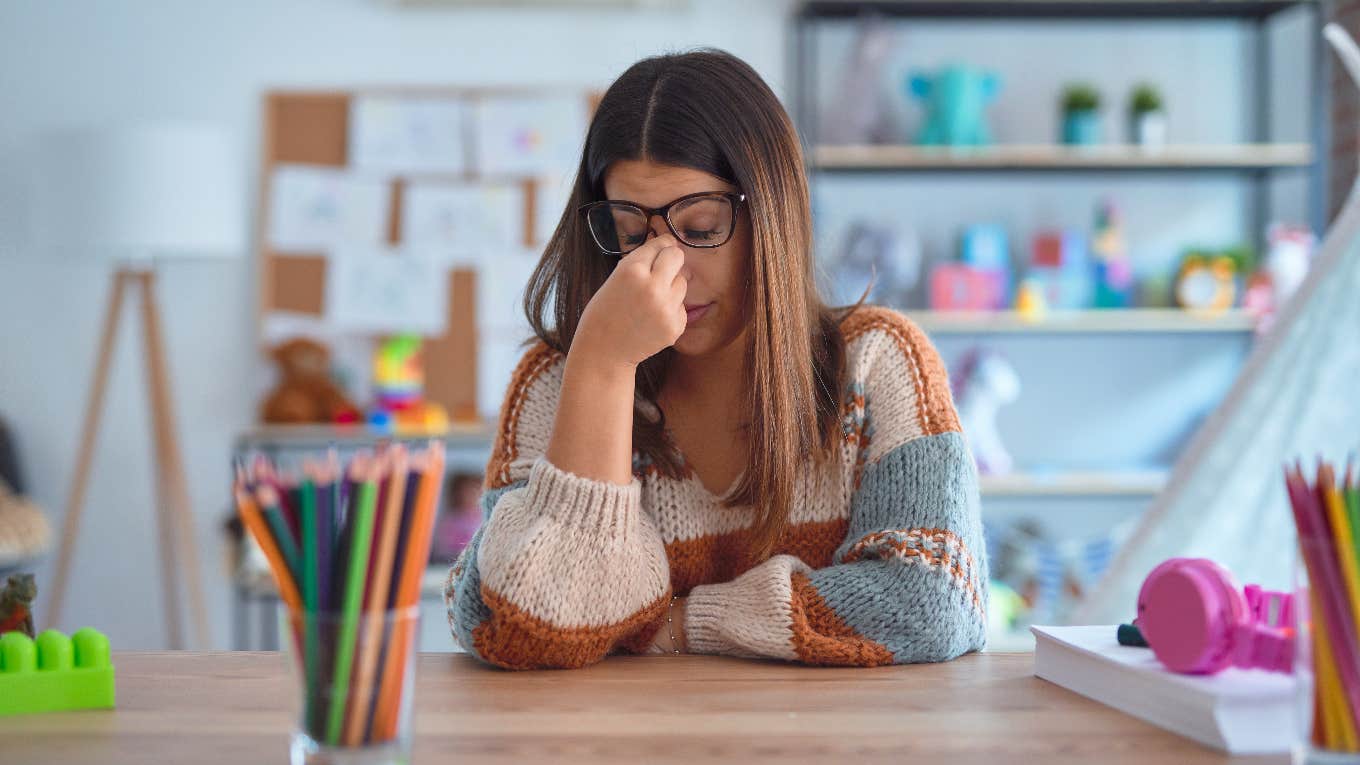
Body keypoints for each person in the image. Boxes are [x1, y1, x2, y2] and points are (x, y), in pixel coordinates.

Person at [444, 49, 987, 670]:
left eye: (701, 229)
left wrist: (673, 623)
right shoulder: (561, 379)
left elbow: (932, 601)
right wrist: (602, 367)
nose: (662, 268)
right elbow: (511, 626)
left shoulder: (878, 360)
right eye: (630, 233)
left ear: (773, 216)